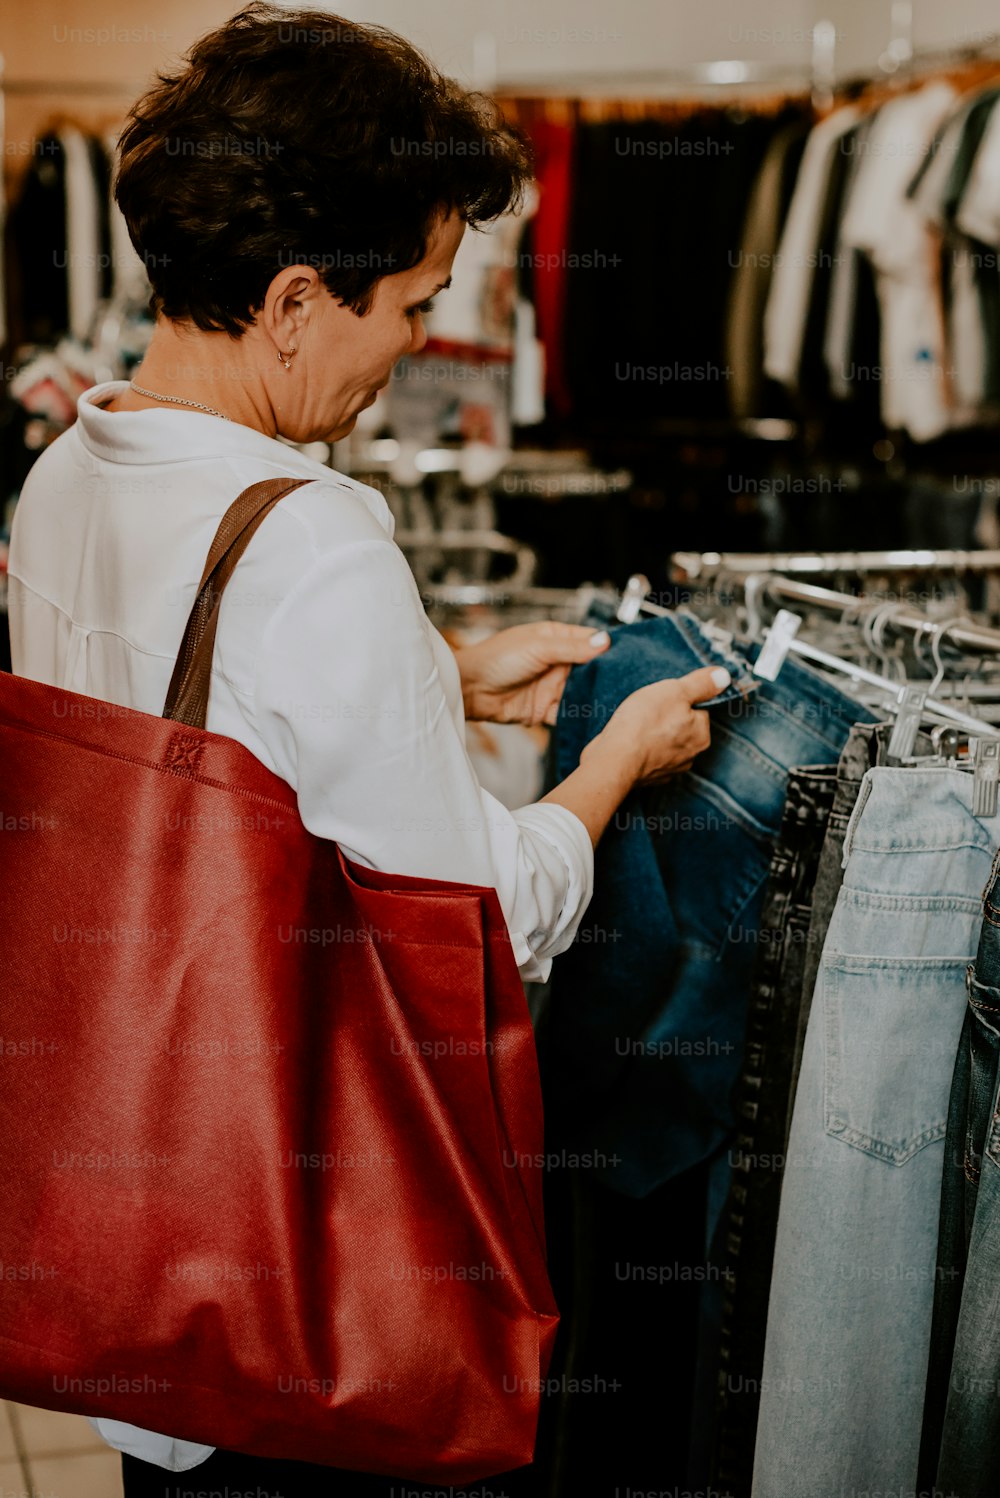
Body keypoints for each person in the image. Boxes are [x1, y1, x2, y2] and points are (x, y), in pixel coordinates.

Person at [7, 5, 727, 1493]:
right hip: (299, 1298)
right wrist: (617, 765)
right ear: (289, 302)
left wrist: (440, 675)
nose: (410, 351)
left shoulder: (67, 472)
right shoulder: (317, 540)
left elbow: (185, 747)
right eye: (410, 305)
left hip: (141, 1254)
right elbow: (486, 923)